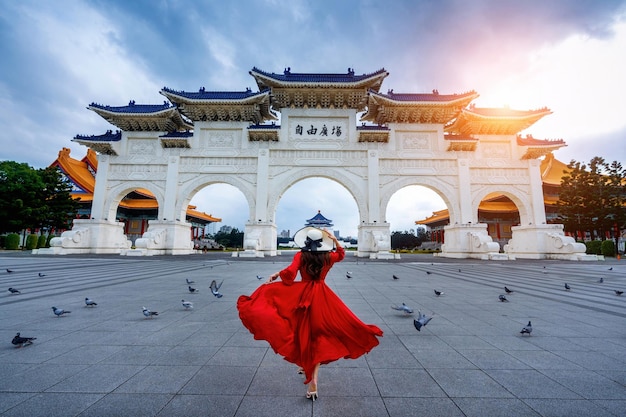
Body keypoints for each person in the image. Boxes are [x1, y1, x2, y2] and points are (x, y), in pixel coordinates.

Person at [237, 227, 383, 401]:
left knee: (301, 331)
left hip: (302, 295)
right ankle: (311, 375)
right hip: (323, 296)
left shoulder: (301, 255)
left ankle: (311, 375)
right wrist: (335, 240)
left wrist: (278, 274)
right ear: (322, 243)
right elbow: (342, 254)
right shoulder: (329, 257)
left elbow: (290, 275)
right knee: (318, 335)